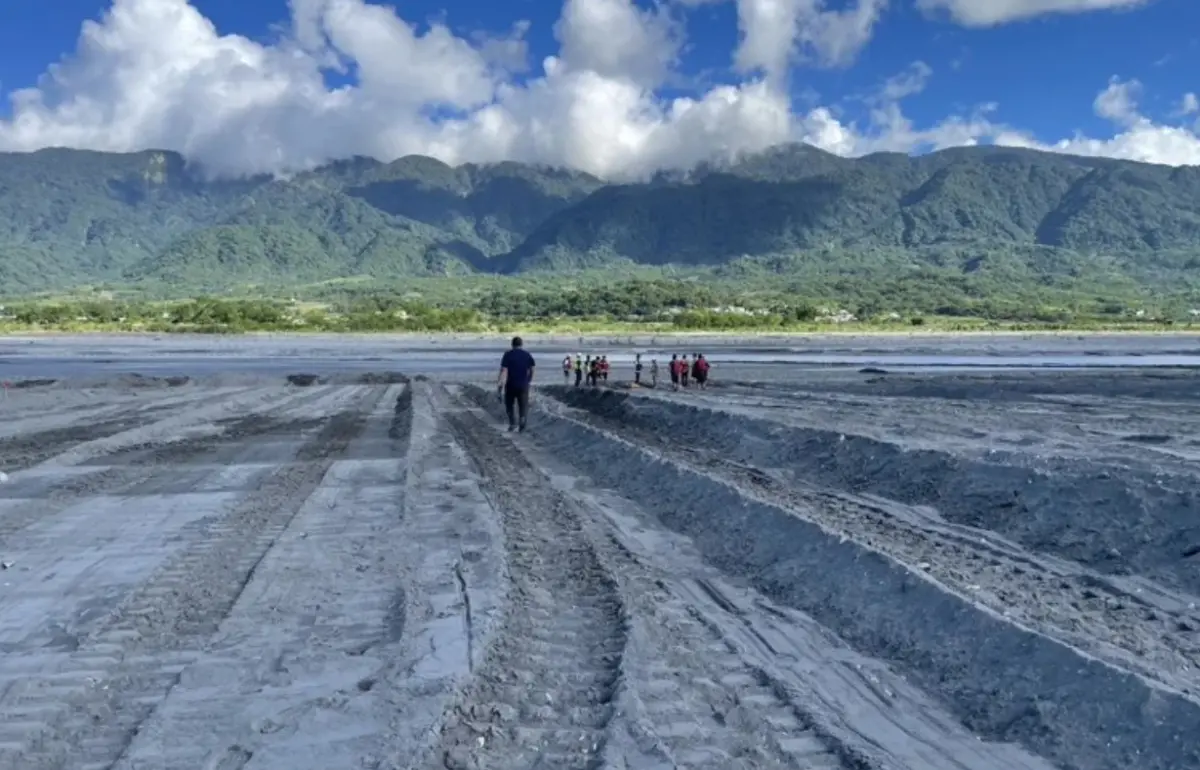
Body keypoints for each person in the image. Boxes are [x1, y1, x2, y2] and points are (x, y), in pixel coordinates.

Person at [498, 336, 535, 432]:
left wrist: (500, 386)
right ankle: (522, 421)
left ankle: (512, 423)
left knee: (509, 405)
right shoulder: (527, 355)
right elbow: (532, 369)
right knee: (523, 405)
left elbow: (503, 370)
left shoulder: (507, 355)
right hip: (523, 385)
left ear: (512, 344)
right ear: (521, 344)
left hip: (510, 384)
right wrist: (529, 380)